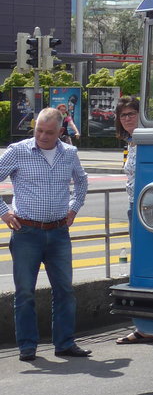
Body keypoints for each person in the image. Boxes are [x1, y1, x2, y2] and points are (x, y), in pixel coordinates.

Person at [0, 107, 91, 361]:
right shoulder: (18, 151)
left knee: (64, 290)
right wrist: (5, 212)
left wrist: (74, 209)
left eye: (49, 132)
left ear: (60, 131)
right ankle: (27, 347)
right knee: (25, 291)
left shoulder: (69, 153)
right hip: (26, 231)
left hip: (59, 231)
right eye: (39, 130)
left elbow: (82, 181)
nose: (42, 136)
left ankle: (64, 343)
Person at [113, 96, 153, 346]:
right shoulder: (131, 143)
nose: (127, 119)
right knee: (139, 268)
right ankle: (144, 325)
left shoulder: (151, 141)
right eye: (123, 115)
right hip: (133, 208)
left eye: (131, 114)